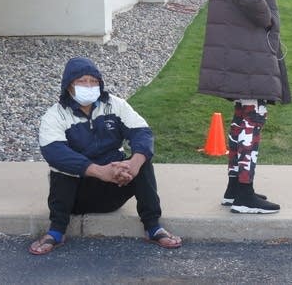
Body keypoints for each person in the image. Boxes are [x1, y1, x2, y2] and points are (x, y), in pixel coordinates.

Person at [29, 57, 182, 255]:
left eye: (93, 81)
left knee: (142, 160)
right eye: (82, 81)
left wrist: (133, 165)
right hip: (76, 196)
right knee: (62, 168)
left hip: (115, 187)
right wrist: (99, 171)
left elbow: (142, 132)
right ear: (68, 86)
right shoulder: (55, 115)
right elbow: (54, 152)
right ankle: (56, 231)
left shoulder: (115, 105)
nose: (89, 85)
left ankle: (153, 226)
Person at [198, 0, 291, 214]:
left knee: (242, 120)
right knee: (252, 120)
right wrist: (268, 21)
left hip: (234, 50)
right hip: (249, 51)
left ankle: (234, 188)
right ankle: (244, 194)